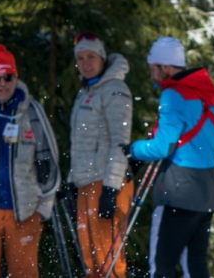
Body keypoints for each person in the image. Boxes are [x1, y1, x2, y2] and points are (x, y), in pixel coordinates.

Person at [125, 36, 214, 278]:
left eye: (153, 69)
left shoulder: (174, 95)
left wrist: (132, 149)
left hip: (179, 191)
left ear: (165, 67)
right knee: (195, 265)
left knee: (163, 266)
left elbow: (162, 147)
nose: (151, 76)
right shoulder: (206, 93)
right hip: (206, 189)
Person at [0, 44, 60, 278]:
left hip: (24, 211)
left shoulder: (32, 112)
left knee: (24, 274)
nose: (2, 84)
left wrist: (43, 209)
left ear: (16, 76)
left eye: (7, 77)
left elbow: (49, 161)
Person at [66, 33, 135, 277]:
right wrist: (72, 182)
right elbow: (80, 142)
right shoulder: (86, 91)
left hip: (106, 183)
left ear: (102, 59)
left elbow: (120, 141)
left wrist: (111, 188)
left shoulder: (115, 89)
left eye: (91, 57)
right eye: (80, 58)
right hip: (87, 183)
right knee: (91, 262)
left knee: (108, 261)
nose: (85, 63)